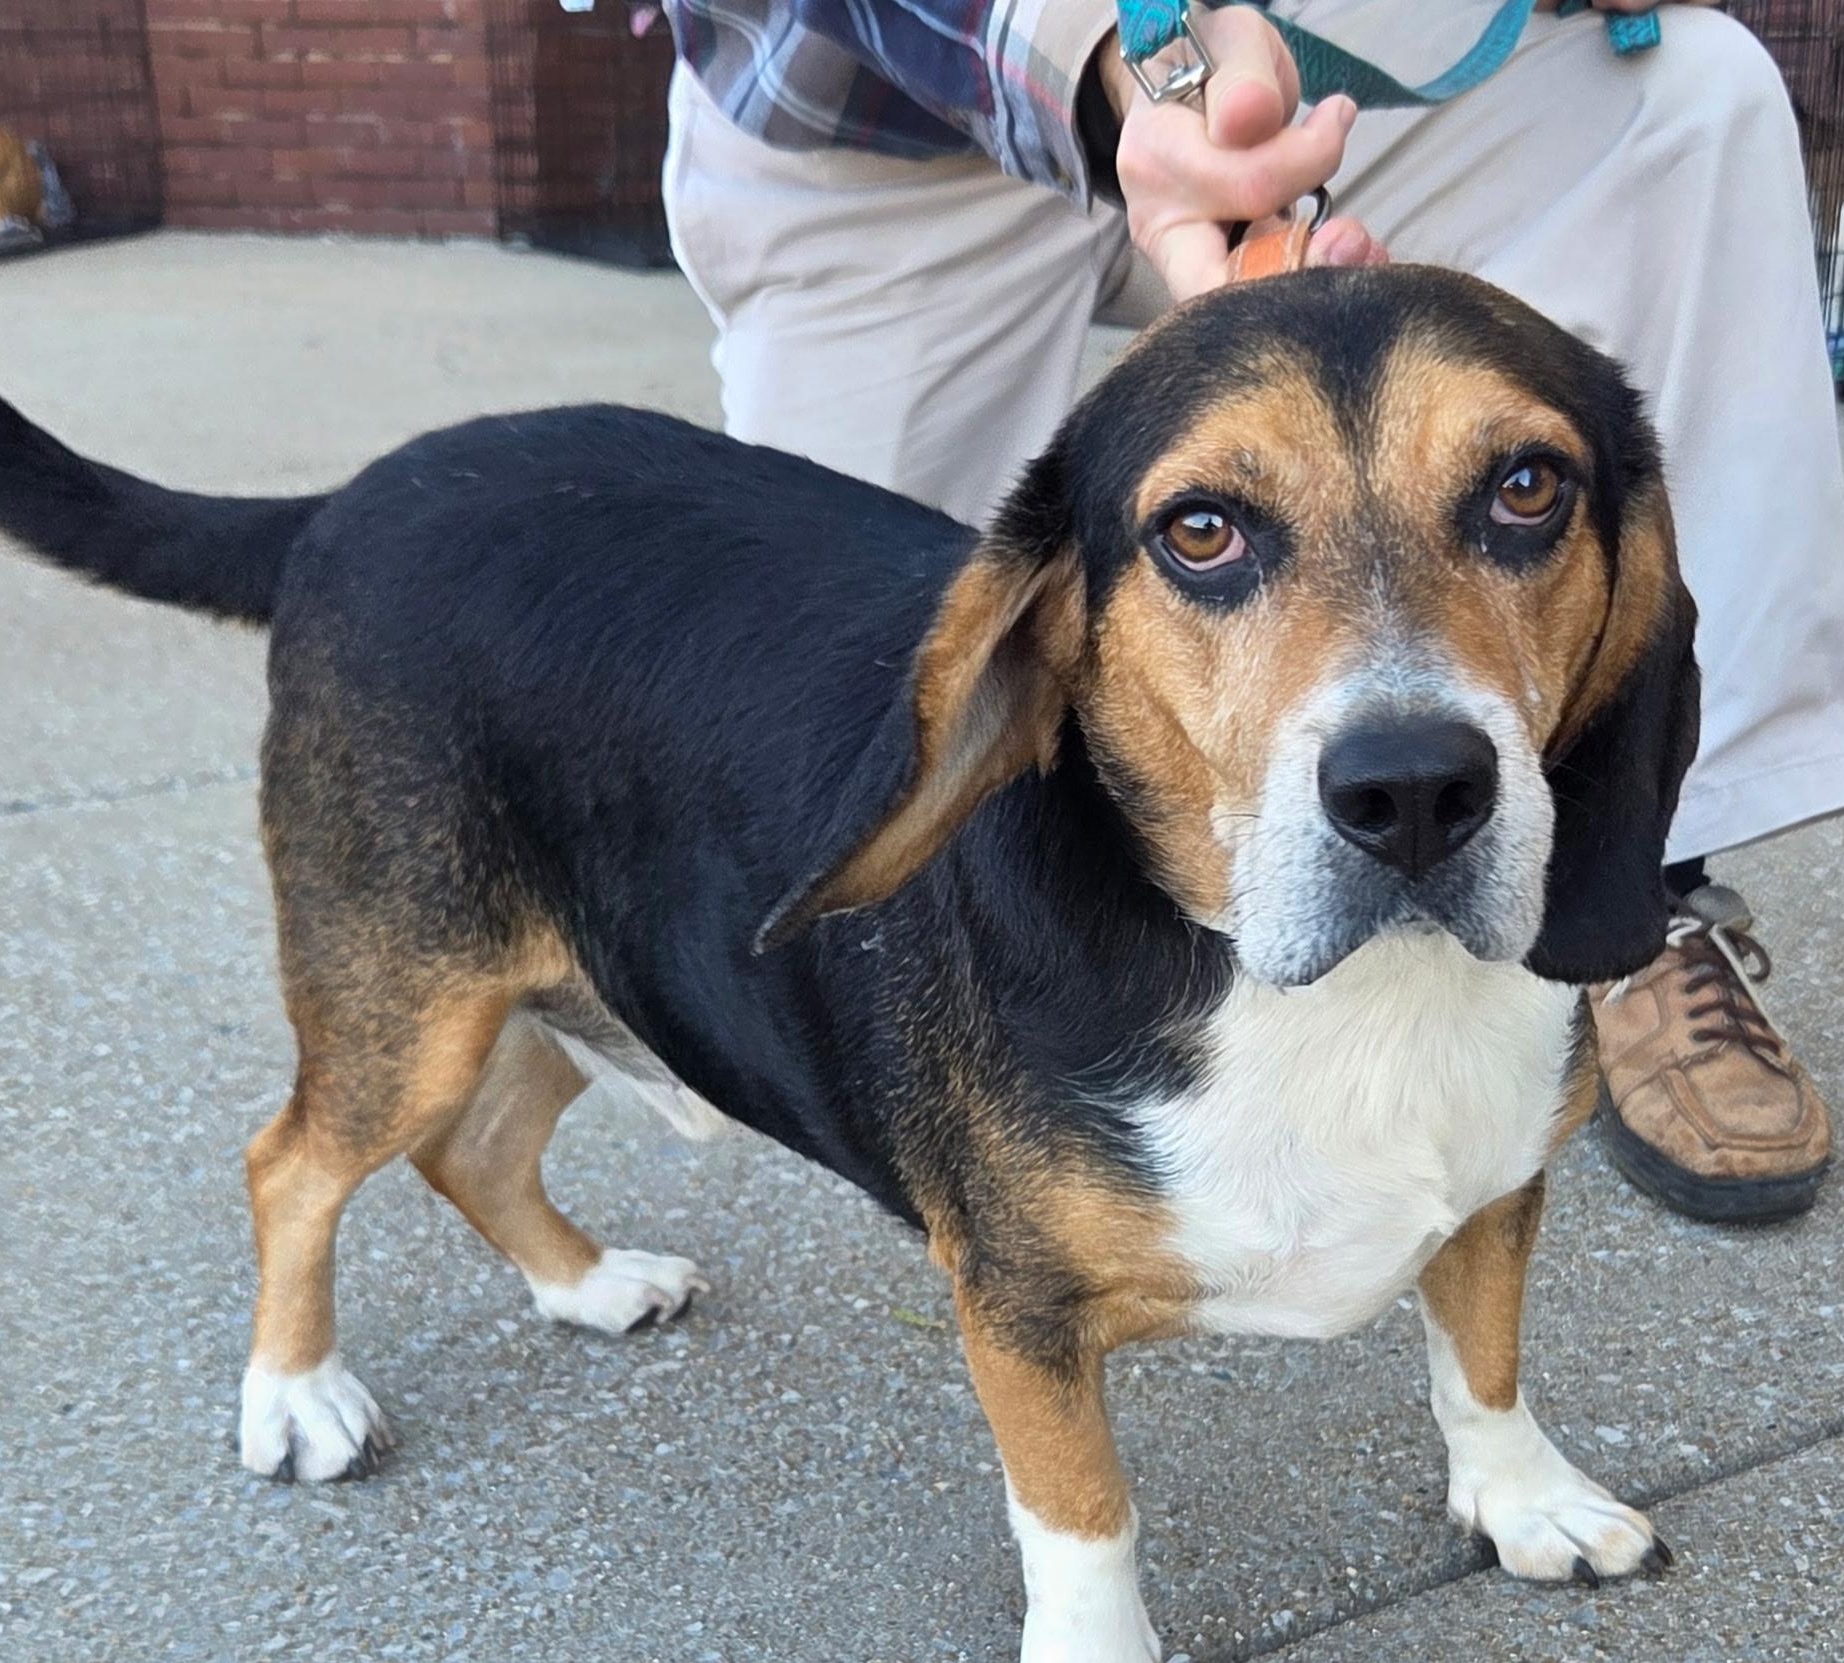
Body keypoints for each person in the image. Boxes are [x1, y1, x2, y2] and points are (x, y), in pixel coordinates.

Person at [661, 0, 1840, 1220]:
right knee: (870, 681)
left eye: (1520, 490)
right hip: (883, 142)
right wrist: (1132, 57)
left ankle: (1639, 893)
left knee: (1691, 98)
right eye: (1208, 527)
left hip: (1325, 87)